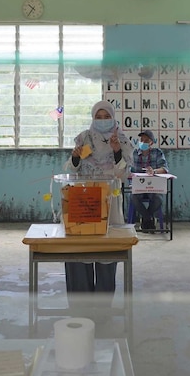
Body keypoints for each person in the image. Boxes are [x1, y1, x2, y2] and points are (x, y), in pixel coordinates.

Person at [67, 100, 134, 294]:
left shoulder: (122, 141)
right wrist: (76, 157)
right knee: (81, 249)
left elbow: (122, 173)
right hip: (84, 200)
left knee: (106, 248)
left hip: (110, 201)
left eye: (107, 117)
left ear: (113, 118)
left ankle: (103, 305)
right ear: (93, 118)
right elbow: (71, 169)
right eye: (99, 117)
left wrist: (116, 151)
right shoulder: (84, 138)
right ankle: (81, 303)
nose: (103, 120)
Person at [129, 129, 168, 232]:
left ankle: (146, 219)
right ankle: (149, 218)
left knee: (158, 198)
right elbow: (129, 171)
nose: (143, 142)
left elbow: (165, 169)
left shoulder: (157, 152)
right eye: (141, 139)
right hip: (139, 186)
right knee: (133, 196)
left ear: (152, 142)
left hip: (153, 186)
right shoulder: (134, 153)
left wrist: (154, 171)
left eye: (146, 140)